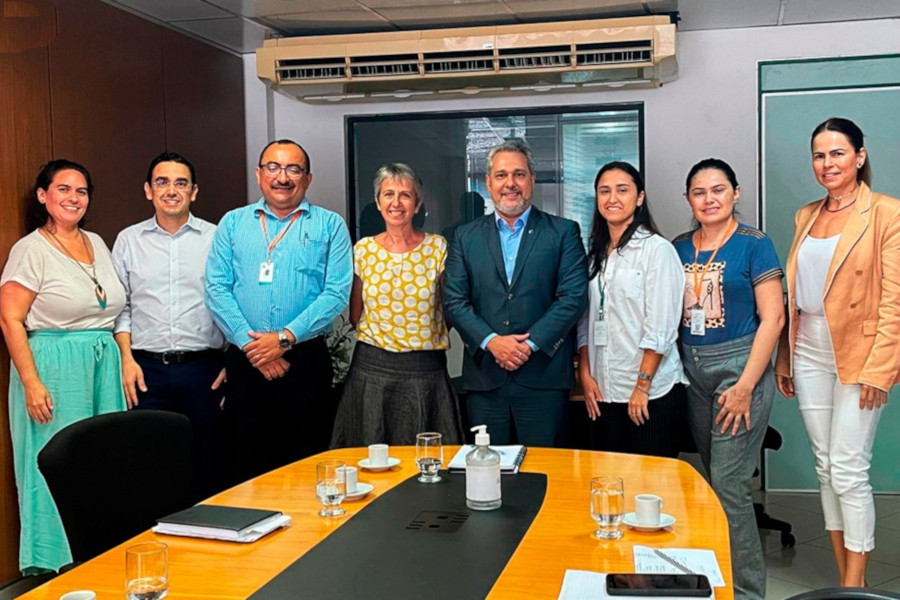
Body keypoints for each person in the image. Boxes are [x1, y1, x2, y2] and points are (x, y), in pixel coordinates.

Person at [775, 117, 900, 587]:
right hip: (807, 349)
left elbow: (895, 300)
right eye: (819, 155)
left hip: (860, 354)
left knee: (849, 468)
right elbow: (798, 294)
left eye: (837, 153)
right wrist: (785, 356)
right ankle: (844, 576)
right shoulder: (805, 215)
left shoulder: (887, 213)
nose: (827, 164)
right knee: (826, 465)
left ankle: (855, 583)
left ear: (859, 157)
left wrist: (880, 369)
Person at [0, 160, 127, 574]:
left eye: (82, 191)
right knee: (55, 462)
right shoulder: (30, 249)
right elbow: (10, 318)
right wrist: (31, 382)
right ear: (43, 195)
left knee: (102, 460)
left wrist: (123, 358)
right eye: (64, 189)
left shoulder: (96, 241)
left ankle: (97, 554)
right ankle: (53, 561)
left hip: (101, 364)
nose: (74, 198)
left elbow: (113, 307)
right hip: (54, 367)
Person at [205, 139, 352, 485]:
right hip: (246, 358)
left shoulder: (330, 225)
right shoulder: (233, 223)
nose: (282, 177)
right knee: (246, 465)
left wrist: (285, 339)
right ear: (259, 174)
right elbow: (216, 288)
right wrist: (252, 346)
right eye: (273, 167)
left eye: (293, 169)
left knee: (306, 463)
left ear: (308, 178)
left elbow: (336, 293)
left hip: (305, 360)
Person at [673, 158, 784, 600]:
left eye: (718, 190)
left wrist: (744, 387)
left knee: (730, 485)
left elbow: (773, 319)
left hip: (741, 369)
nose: (709, 199)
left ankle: (746, 592)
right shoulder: (680, 246)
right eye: (699, 192)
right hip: (692, 370)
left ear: (735, 193)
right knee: (713, 478)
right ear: (688, 200)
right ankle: (714, 579)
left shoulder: (754, 243)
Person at [443, 139, 588, 447]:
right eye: (501, 175)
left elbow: (572, 297)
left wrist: (529, 344)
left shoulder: (563, 232)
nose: (511, 183)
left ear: (532, 180)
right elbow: (455, 301)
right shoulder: (464, 237)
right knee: (487, 474)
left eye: (519, 174)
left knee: (544, 474)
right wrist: (492, 342)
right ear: (488, 182)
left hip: (544, 378)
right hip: (485, 379)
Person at [112, 152, 226, 498]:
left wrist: (233, 361)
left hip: (204, 370)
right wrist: (126, 358)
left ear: (194, 192)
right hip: (146, 372)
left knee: (206, 468)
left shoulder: (218, 237)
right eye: (162, 182)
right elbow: (121, 307)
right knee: (149, 468)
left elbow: (236, 301)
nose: (171, 190)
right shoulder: (128, 241)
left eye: (181, 183)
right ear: (148, 190)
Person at [331, 163, 463, 447]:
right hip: (372, 372)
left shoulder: (437, 247)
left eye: (405, 195)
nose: (396, 202)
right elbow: (357, 315)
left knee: (428, 462)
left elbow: (448, 310)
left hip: (425, 373)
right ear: (378, 202)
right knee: (370, 460)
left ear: (417, 204)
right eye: (388, 194)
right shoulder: (363, 250)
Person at [576, 161, 688, 458]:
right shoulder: (595, 258)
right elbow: (585, 322)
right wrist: (585, 375)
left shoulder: (657, 251)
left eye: (622, 190)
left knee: (651, 491)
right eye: (604, 191)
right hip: (603, 392)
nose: (612, 198)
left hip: (651, 394)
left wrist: (642, 386)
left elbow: (661, 327)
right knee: (611, 483)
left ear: (639, 198)